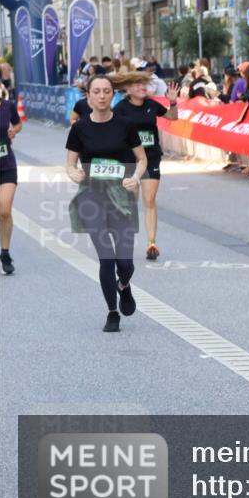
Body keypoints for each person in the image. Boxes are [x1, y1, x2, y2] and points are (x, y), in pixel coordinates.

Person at [65, 75, 148, 332]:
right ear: (88, 96)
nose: (101, 96)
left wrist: (135, 177)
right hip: (91, 196)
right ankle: (112, 312)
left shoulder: (126, 125)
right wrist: (73, 173)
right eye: (96, 91)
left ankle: (124, 285)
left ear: (113, 94)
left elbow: (142, 159)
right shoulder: (79, 129)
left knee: (125, 263)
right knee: (107, 258)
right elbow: (70, 164)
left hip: (121, 197)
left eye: (106, 91)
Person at [112, 72, 179, 261]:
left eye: (144, 84)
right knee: (130, 201)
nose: (142, 88)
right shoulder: (120, 109)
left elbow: (173, 117)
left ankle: (151, 243)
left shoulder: (152, 105)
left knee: (149, 200)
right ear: (128, 89)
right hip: (130, 160)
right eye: (137, 85)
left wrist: (173, 102)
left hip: (151, 157)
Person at [0, 81, 23, 274]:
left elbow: (18, 123)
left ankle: (5, 253)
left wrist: (14, 130)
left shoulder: (8, 106)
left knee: (5, 210)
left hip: (6, 163)